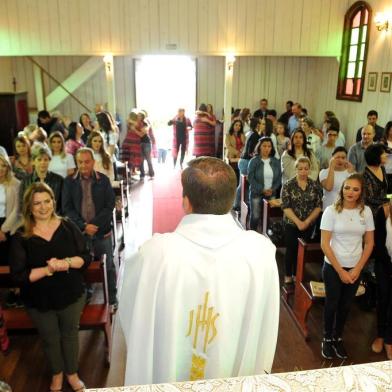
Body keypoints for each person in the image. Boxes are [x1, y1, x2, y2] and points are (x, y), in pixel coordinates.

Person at [118, 157, 279, 385]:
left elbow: (131, 319)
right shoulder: (261, 252)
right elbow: (266, 326)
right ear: (232, 198)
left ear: (186, 201)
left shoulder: (153, 256)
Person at [9, 182, 90, 392]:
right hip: (39, 299)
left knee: (70, 335)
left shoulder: (68, 225)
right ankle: (57, 374)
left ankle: (72, 374)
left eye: (47, 201)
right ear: (29, 207)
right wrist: (48, 270)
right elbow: (18, 276)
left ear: (54, 202)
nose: (43, 207)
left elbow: (85, 257)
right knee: (50, 338)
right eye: (37, 203)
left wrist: (67, 263)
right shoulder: (21, 235)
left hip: (70, 294)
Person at [320, 174, 374, 359]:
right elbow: (325, 244)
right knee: (332, 304)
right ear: (342, 188)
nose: (350, 192)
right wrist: (340, 270)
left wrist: (358, 268)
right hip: (333, 267)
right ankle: (327, 338)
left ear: (361, 192)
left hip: (355, 267)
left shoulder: (365, 212)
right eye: (347, 188)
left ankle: (338, 337)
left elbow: (369, 243)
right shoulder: (331, 211)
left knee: (345, 306)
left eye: (355, 189)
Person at [62, 148, 117, 308]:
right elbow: (67, 208)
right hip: (80, 233)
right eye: (80, 162)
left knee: (107, 266)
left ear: (93, 162)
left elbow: (109, 205)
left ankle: (112, 298)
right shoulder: (69, 182)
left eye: (87, 161)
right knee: (83, 266)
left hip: (102, 232)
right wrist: (84, 226)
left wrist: (95, 224)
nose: (84, 165)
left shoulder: (103, 180)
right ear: (77, 163)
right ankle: (87, 295)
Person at [281, 157, 322, 284]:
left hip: (308, 224)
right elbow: (285, 207)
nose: (303, 172)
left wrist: (307, 222)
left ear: (309, 169)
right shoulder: (288, 185)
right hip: (291, 224)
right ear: (296, 169)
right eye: (300, 169)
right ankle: (288, 274)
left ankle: (297, 274)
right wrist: (298, 222)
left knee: (302, 250)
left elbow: (318, 206)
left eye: (306, 169)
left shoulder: (314, 185)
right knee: (291, 249)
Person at [372, 199, 392, 359]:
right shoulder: (383, 212)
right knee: (383, 297)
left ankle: (389, 339)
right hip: (383, 263)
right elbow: (378, 244)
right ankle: (380, 334)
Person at [247, 138, 281, 231]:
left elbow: (279, 178)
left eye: (269, 146)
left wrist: (272, 189)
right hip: (256, 192)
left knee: (269, 217)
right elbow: (250, 178)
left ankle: (267, 236)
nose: (267, 148)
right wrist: (261, 189)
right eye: (264, 146)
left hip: (271, 193)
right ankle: (252, 233)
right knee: (255, 216)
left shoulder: (275, 161)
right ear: (259, 147)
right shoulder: (254, 161)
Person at [20, 147, 63, 213]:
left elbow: (62, 206)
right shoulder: (25, 181)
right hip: (32, 219)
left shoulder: (59, 180)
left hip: (53, 218)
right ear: (33, 161)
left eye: (46, 160)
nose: (43, 162)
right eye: (39, 160)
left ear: (49, 161)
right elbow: (23, 204)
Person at [233, 118, 261, 211]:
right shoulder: (255, 135)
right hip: (246, 162)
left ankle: (239, 204)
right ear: (257, 125)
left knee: (243, 184)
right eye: (260, 123)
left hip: (242, 160)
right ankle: (237, 204)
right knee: (244, 185)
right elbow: (251, 152)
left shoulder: (249, 133)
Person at [0, 154, 21, 266]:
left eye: (3, 165)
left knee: (6, 260)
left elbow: (17, 209)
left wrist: (3, 230)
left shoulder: (16, 183)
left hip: (9, 225)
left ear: (8, 167)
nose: (1, 168)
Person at [363, 144, 388, 217]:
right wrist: (388, 201)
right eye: (383, 153)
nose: (386, 155)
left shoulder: (382, 168)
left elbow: (386, 190)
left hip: (385, 210)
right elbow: (369, 198)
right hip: (371, 213)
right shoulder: (365, 175)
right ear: (376, 156)